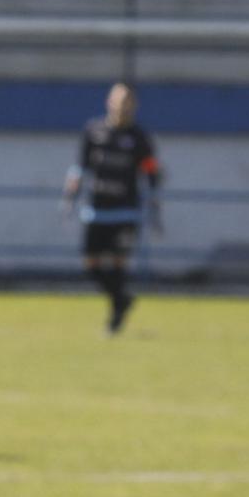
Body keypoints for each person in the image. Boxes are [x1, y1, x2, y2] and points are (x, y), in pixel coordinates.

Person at [64, 82, 162, 335]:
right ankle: (122, 300)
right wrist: (70, 194)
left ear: (134, 105)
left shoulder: (139, 137)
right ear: (109, 101)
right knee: (91, 265)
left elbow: (151, 171)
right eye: (118, 99)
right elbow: (79, 167)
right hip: (96, 209)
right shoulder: (93, 130)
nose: (122, 105)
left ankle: (116, 316)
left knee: (118, 265)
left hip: (126, 211)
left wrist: (155, 203)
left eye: (127, 100)